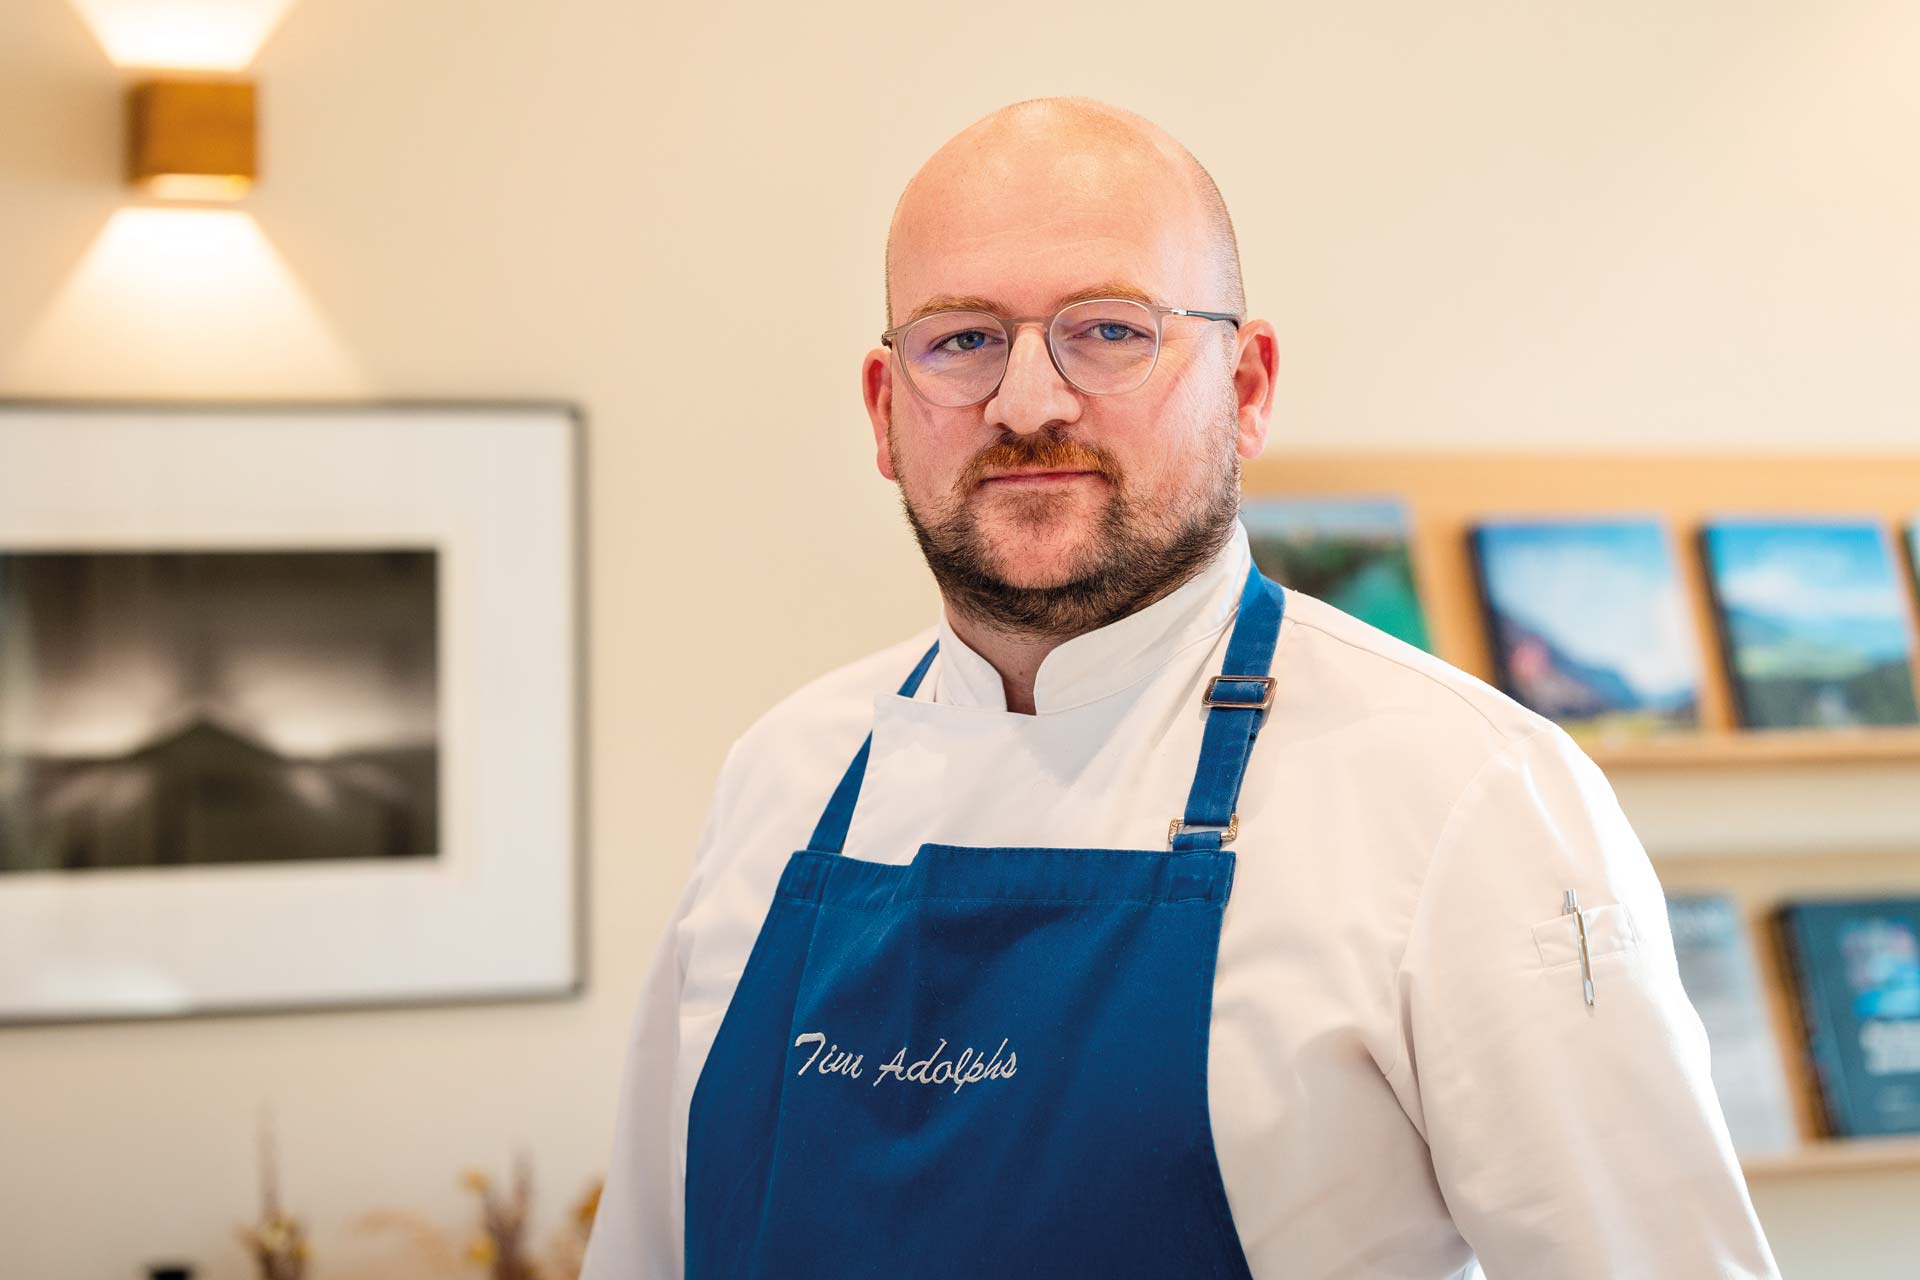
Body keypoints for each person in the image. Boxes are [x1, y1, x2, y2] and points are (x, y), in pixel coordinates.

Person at [580, 97, 1779, 1279]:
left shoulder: (1468, 798)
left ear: (1248, 386)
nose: (1030, 401)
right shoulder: (780, 779)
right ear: (886, 413)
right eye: (961, 339)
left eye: (1109, 330)